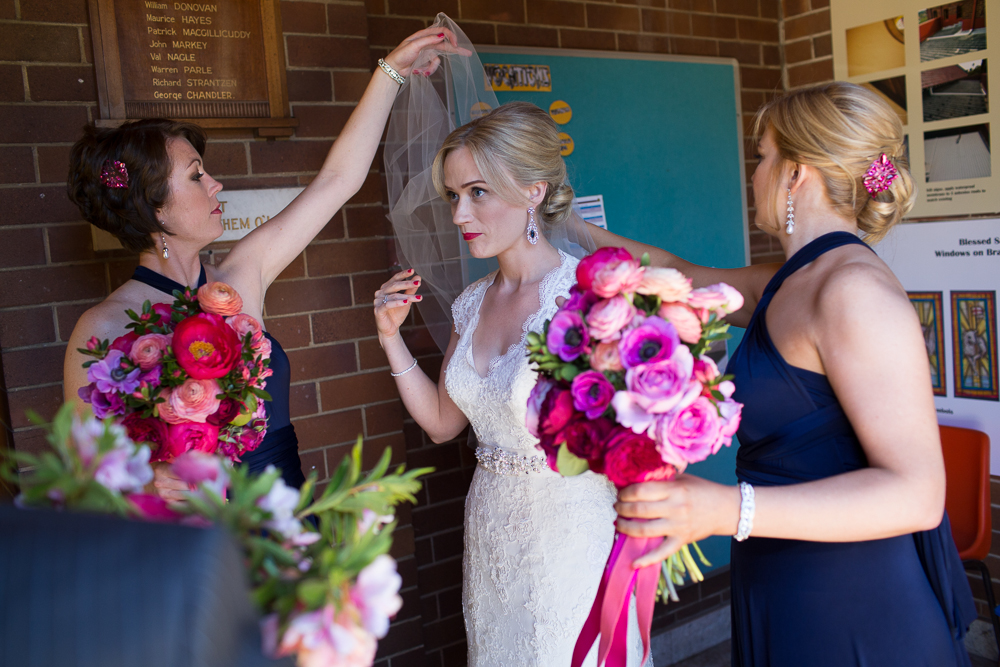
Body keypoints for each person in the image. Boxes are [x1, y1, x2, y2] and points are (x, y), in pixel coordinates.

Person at [598, 82, 976, 666]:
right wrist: (555, 221)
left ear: (796, 171)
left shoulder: (853, 292)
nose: (756, 174)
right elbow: (677, 272)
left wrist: (728, 510)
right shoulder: (793, 279)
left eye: (763, 157)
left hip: (852, 596)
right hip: (780, 573)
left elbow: (919, 495)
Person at [63, 26, 468, 502]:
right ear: (154, 207)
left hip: (287, 514)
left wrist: (391, 71)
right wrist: (142, 482)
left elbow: (337, 181)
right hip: (198, 533)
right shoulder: (104, 325)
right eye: (196, 176)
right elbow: (79, 467)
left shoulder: (240, 276)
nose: (215, 184)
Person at [374, 100, 647, 666]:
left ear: (533, 192)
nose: (459, 215)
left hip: (573, 534)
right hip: (491, 532)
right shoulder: (472, 303)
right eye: (453, 196)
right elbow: (445, 424)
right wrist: (389, 338)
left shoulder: (588, 295)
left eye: (477, 192)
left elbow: (634, 438)